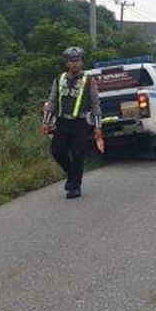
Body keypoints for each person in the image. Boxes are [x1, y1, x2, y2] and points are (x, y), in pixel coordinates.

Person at [40, 46, 102, 199]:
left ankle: (74, 187)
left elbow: (95, 104)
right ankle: (72, 175)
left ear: (82, 62)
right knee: (57, 151)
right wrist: (46, 122)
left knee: (78, 154)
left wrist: (98, 127)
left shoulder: (89, 80)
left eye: (77, 60)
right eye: (71, 61)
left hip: (80, 123)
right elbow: (52, 101)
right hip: (62, 122)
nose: (74, 64)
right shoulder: (59, 79)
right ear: (67, 63)